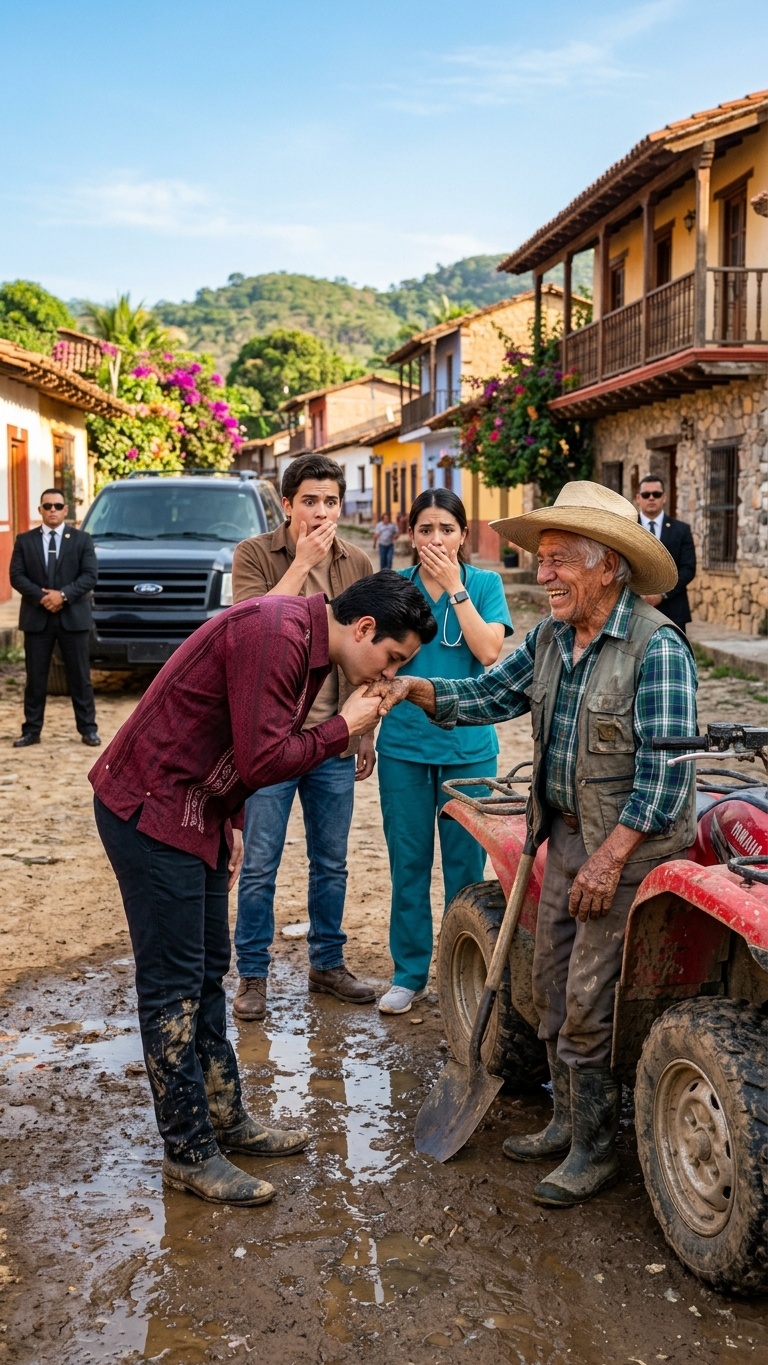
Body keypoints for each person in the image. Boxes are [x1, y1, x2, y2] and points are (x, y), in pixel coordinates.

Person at [370, 482, 697, 1207]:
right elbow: (491, 694)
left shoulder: (656, 648)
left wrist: (611, 858)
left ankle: (595, 1147)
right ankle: (562, 1120)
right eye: (540, 560)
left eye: (557, 561)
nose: (540, 575)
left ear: (607, 565)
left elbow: (667, 775)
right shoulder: (552, 638)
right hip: (568, 834)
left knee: (587, 998)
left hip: (635, 855)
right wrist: (418, 689)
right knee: (548, 981)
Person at [90, 573, 435, 1206]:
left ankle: (225, 1117)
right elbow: (264, 759)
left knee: (207, 972)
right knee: (171, 985)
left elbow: (241, 739)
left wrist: (233, 820)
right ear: (363, 629)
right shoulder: (278, 635)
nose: (386, 679)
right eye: (392, 659)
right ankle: (188, 1152)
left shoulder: (306, 644)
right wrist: (345, 726)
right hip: (151, 806)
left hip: (199, 810)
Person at [230, 454, 377, 1021]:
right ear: (287, 504)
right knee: (261, 862)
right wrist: (302, 564)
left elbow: (370, 654)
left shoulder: (358, 562)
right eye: (309, 501)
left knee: (332, 860)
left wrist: (366, 731)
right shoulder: (255, 556)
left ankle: (328, 964)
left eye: (331, 502)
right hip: (270, 741)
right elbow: (246, 629)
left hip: (334, 739)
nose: (320, 512)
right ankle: (252, 976)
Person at [376, 489, 512, 1015]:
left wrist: (456, 588)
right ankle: (409, 972)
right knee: (407, 862)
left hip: (469, 749)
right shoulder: (396, 589)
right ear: (411, 534)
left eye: (447, 530)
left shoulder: (484, 584)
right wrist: (365, 734)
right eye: (426, 529)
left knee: (465, 867)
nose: (436, 539)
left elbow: (489, 651)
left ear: (462, 535)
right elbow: (375, 666)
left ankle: (468, 972)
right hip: (404, 748)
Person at [9, 488, 100, 748]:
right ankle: (31, 731)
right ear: (40, 510)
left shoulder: (82, 540)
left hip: (73, 617)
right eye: (47, 506)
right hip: (37, 618)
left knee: (80, 677)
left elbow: (90, 575)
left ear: (65, 510)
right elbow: (17, 575)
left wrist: (62, 595)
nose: (52, 510)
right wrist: (42, 597)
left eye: (57, 506)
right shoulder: (24, 541)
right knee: (35, 678)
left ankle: (88, 729)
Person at [634, 474, 696, 632]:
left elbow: (688, 568)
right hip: (634, 609)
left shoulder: (681, 530)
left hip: (673, 610)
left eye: (657, 494)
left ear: (665, 497)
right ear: (638, 498)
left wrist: (662, 594)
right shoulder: (628, 529)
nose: (651, 498)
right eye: (646, 495)